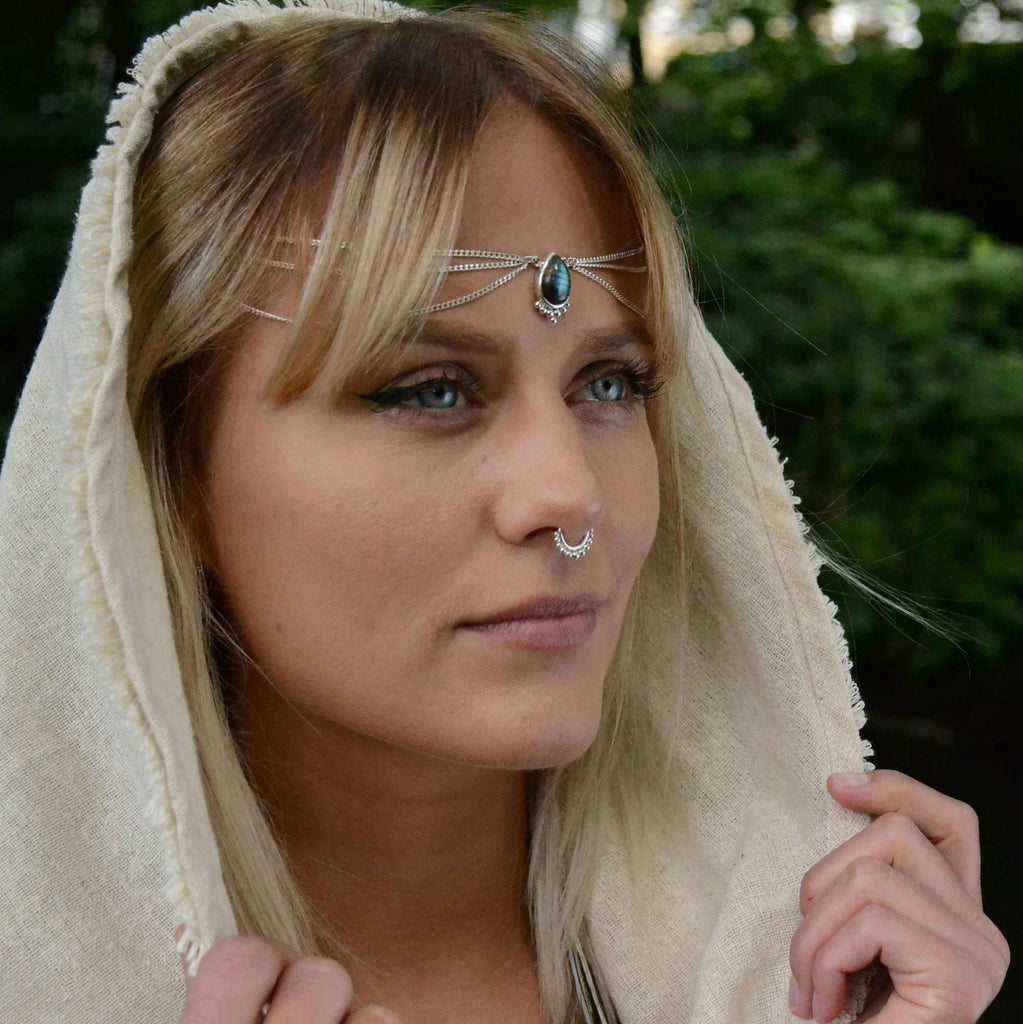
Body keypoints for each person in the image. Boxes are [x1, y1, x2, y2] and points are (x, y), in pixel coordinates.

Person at [0, 2, 1008, 1023]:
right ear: (170, 476)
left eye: (609, 382)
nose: (569, 495)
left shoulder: (812, 976)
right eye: (429, 389)